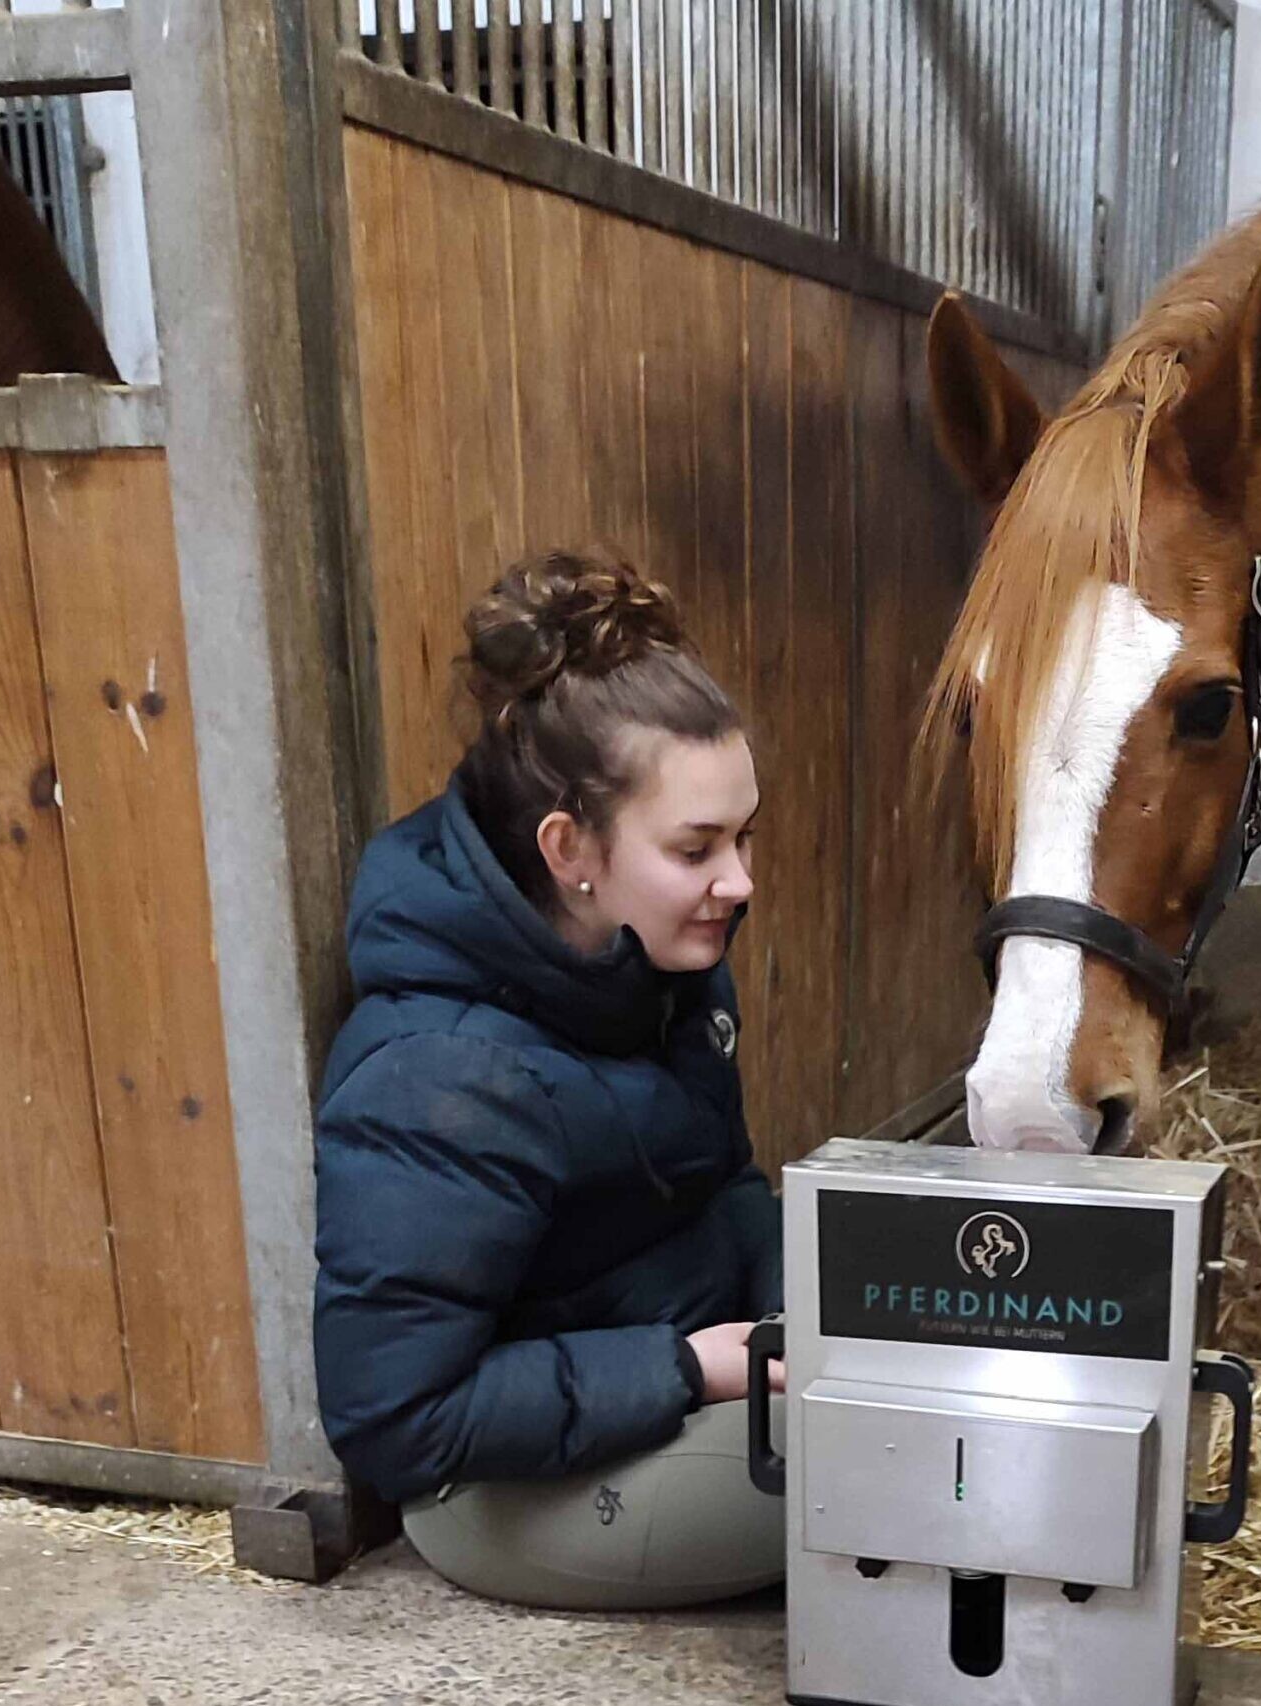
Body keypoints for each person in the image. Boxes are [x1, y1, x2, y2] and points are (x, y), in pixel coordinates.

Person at [312, 548, 785, 1609]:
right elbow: (396, 1417)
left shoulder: (656, 965)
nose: (739, 879)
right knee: (908, 1478)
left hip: (665, 1383)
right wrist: (690, 1368)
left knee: (920, 1384)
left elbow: (723, 1186)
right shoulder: (437, 1078)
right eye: (697, 844)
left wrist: (801, 1305)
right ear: (571, 846)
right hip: (506, 1491)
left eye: (744, 836)